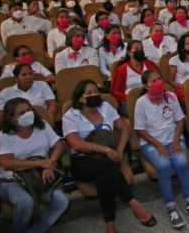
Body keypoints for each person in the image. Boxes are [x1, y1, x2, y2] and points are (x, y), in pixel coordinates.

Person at [63, 80, 155, 232]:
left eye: (96, 91)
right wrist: (105, 150)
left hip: (109, 157)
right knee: (107, 169)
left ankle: (110, 226)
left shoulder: (105, 107)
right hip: (82, 160)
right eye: (89, 93)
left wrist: (119, 150)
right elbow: (76, 145)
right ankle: (134, 204)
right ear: (81, 98)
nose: (94, 95)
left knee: (104, 177)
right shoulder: (71, 116)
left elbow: (124, 129)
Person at [134, 70, 189, 228]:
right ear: (146, 86)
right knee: (164, 166)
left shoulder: (171, 97)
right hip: (151, 142)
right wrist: (159, 146)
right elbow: (140, 130)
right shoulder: (141, 103)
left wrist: (176, 141)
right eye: (153, 81)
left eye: (159, 79)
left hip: (174, 138)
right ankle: (171, 207)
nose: (158, 83)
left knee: (182, 163)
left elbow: (179, 121)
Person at [0, 98, 68, 233]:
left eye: (29, 110)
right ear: (11, 119)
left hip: (40, 176)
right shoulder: (4, 135)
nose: (27, 114)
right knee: (25, 202)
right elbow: (6, 163)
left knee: (61, 201)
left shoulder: (43, 125)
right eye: (21, 113)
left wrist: (50, 163)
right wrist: (39, 162)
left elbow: (59, 146)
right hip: (11, 180)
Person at [110, 41, 158, 112]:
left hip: (151, 98)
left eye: (141, 49)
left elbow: (160, 81)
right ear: (129, 53)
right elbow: (115, 92)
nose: (140, 51)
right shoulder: (122, 69)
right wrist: (129, 97)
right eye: (137, 49)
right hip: (129, 102)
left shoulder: (150, 65)